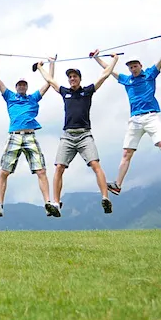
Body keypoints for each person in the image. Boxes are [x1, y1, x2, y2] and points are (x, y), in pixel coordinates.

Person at [91, 31, 161, 194]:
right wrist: (96, 58)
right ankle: (117, 184)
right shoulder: (127, 79)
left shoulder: (149, 74)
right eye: (130, 67)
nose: (133, 68)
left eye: (135, 66)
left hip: (151, 116)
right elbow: (109, 70)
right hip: (134, 119)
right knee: (126, 153)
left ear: (140, 66)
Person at [36, 55, 119, 213]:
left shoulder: (87, 91)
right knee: (59, 167)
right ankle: (56, 203)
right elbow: (50, 80)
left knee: (95, 165)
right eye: (70, 77)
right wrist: (40, 67)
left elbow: (105, 75)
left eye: (75, 76)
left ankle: (105, 198)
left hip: (84, 135)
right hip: (67, 136)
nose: (72, 79)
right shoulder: (65, 92)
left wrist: (114, 60)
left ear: (80, 79)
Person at [0, 52, 61, 218]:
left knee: (41, 170)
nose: (21, 87)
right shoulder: (10, 97)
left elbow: (49, 83)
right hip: (14, 135)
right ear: (16, 87)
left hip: (30, 136)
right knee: (3, 171)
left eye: (24, 85)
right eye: (19, 85)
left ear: (26, 87)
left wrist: (51, 64)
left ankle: (48, 204)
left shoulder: (33, 98)